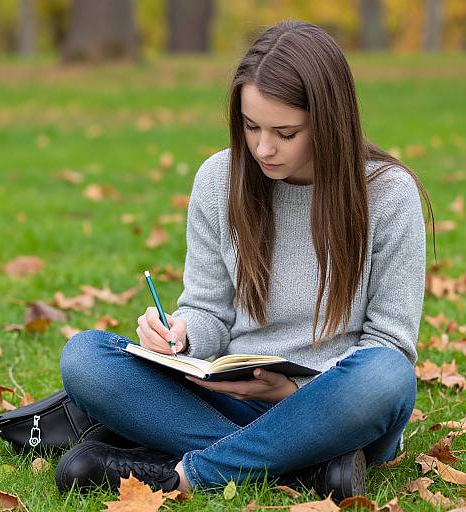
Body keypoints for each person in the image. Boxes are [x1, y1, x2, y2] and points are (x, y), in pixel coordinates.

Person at [55, 20, 434, 502]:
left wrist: (292, 394)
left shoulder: (387, 195)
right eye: (251, 127)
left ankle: (185, 475)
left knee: (386, 376)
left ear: (330, 121)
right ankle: (305, 470)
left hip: (334, 409)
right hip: (230, 401)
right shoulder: (220, 179)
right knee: (85, 357)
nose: (262, 148)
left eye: (286, 132)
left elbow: (389, 345)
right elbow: (209, 310)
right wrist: (183, 332)